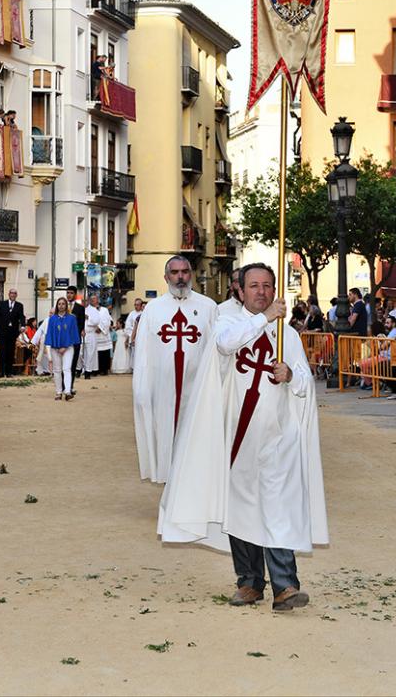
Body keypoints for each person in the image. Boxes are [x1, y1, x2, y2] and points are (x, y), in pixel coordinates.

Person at [159, 263, 327, 612]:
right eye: (254, 286)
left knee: (278, 507)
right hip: (236, 437)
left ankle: (286, 586)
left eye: (267, 285)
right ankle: (249, 582)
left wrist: (291, 375)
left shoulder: (289, 335)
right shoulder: (229, 322)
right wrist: (264, 319)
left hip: (277, 439)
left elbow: (304, 383)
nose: (261, 292)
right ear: (240, 290)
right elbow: (224, 345)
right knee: (242, 508)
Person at [132, 255, 219, 483]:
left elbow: (216, 350)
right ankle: (167, 483)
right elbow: (143, 353)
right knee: (164, 435)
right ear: (166, 277)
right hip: (163, 389)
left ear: (191, 274)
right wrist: (141, 388)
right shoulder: (153, 309)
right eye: (175, 272)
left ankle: (192, 488)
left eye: (185, 272)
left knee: (195, 437)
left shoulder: (208, 307)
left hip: (197, 389)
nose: (180, 277)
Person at [44, 297, 81, 400]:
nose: (61, 306)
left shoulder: (72, 318)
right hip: (55, 348)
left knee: (67, 369)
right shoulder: (52, 319)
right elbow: (50, 334)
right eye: (59, 304)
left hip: (68, 348)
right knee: (57, 370)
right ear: (57, 306)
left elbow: (73, 334)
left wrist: (65, 346)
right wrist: (53, 346)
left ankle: (68, 391)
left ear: (66, 305)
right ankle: (58, 392)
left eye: (63, 304)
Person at [0, 288, 24, 377]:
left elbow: (21, 317)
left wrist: (23, 325)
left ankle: (9, 372)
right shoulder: (2, 304)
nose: (13, 295)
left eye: (14, 293)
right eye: (11, 293)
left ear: (16, 295)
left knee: (10, 351)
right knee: (3, 350)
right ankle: (0, 371)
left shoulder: (19, 305)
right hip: (2, 331)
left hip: (12, 332)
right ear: (9, 294)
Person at [82, 294, 113, 377]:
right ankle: (94, 370)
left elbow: (108, 321)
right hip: (93, 333)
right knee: (92, 354)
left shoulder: (104, 310)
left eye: (94, 299)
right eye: (91, 299)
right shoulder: (87, 310)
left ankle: (104, 369)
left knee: (103, 352)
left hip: (102, 334)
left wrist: (100, 328)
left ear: (97, 300)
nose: (92, 300)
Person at [67, 286, 86, 383]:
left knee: (73, 361)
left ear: (75, 294)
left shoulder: (80, 308)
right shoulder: (63, 306)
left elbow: (81, 324)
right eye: (68, 293)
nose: (69, 295)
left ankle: (70, 385)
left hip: (75, 339)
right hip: (64, 339)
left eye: (71, 293)